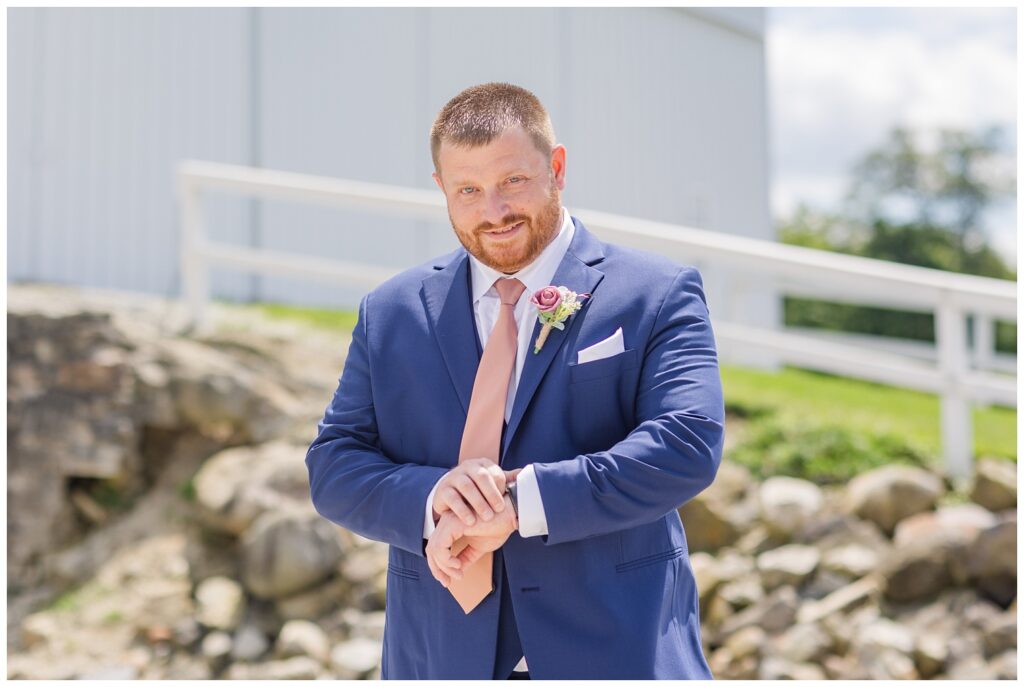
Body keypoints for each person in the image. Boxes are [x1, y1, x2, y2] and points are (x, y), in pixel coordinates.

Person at [306, 82, 724, 680]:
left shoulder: (656, 294)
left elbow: (686, 445)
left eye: (513, 183)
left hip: (618, 656)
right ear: (441, 190)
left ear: (556, 167)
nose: (493, 212)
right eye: (468, 190)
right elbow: (334, 465)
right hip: (440, 661)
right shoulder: (390, 310)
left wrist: (521, 503)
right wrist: (432, 497)